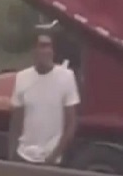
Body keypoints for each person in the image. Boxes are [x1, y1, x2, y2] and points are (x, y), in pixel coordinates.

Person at [8, 33, 80, 166]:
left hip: (51, 159)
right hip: (23, 156)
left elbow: (71, 124)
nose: (46, 51)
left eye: (49, 46)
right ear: (34, 51)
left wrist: (54, 156)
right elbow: (16, 122)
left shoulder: (67, 77)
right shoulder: (22, 78)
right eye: (42, 46)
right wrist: (11, 155)